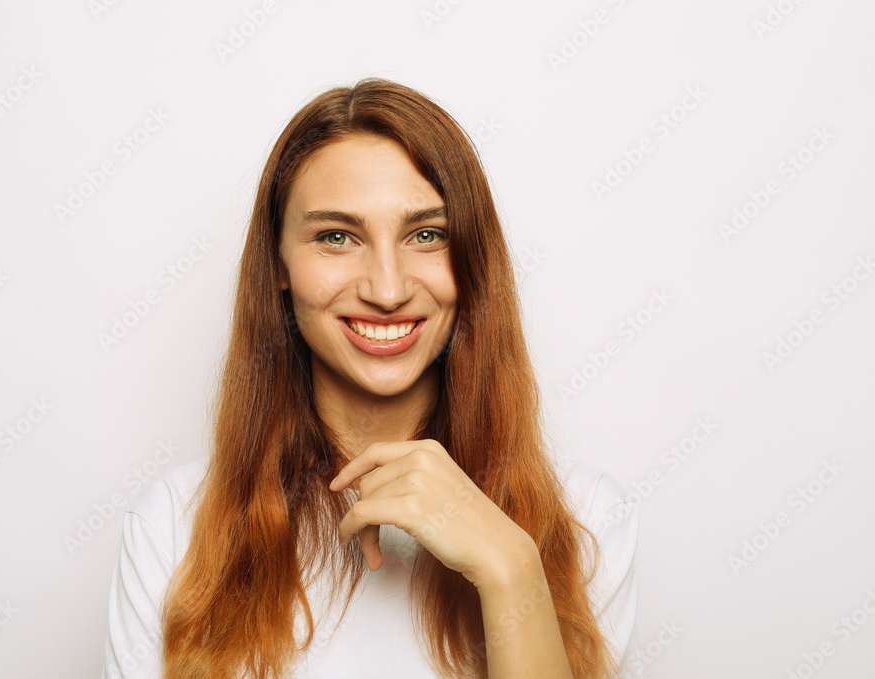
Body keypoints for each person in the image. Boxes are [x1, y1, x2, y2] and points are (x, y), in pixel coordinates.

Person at [102, 77, 639, 679]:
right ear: (278, 263)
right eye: (336, 237)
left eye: (427, 235)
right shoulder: (173, 527)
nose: (387, 290)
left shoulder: (589, 519)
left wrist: (511, 569)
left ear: (473, 259)